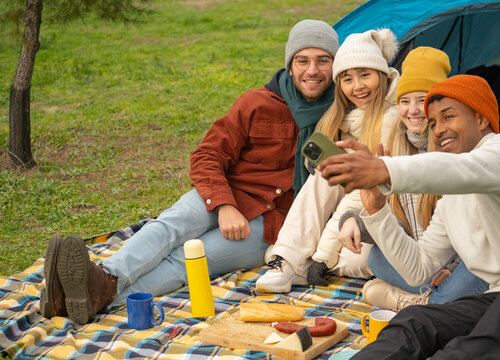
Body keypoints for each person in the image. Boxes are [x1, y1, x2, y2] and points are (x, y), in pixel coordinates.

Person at [38, 19, 340, 325]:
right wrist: (224, 205)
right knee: (169, 226)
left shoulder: (342, 116)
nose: (312, 70)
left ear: (335, 64)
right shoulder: (256, 103)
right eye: (302, 60)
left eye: (322, 61)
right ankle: (104, 277)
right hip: (225, 192)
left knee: (187, 261)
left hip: (274, 223)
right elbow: (208, 155)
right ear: (290, 65)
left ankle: (76, 299)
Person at [319, 74, 500, 359]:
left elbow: (463, 169)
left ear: (482, 119)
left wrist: (385, 169)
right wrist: (377, 209)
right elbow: (419, 268)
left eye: (448, 117)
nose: (437, 130)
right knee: (415, 321)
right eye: (433, 122)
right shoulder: (452, 200)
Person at [337, 47, 488, 311]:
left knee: (455, 291)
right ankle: (438, 300)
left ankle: (412, 301)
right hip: (420, 262)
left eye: (423, 100)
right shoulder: (395, 144)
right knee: (375, 258)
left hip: (466, 259)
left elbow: (479, 230)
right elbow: (399, 225)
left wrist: (452, 268)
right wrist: (353, 220)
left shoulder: (454, 148)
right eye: (405, 101)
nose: (413, 110)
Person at [255, 28, 400, 293]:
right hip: (358, 214)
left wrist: (324, 256)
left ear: (381, 74)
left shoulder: (391, 119)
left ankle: (298, 259)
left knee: (356, 259)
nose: (357, 87)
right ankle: (290, 260)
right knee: (326, 169)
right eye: (347, 79)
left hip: (390, 214)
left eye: (365, 75)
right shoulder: (348, 118)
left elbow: (362, 195)